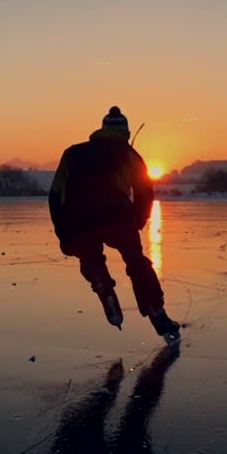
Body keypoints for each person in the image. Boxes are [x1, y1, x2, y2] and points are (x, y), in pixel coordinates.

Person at [49, 106, 180, 344]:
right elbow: (144, 192)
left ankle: (103, 285)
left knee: (90, 259)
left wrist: (63, 233)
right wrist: (137, 221)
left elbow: (55, 194)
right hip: (116, 214)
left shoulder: (72, 153)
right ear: (125, 133)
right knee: (137, 264)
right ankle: (157, 314)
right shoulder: (129, 154)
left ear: (102, 129)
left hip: (77, 217)